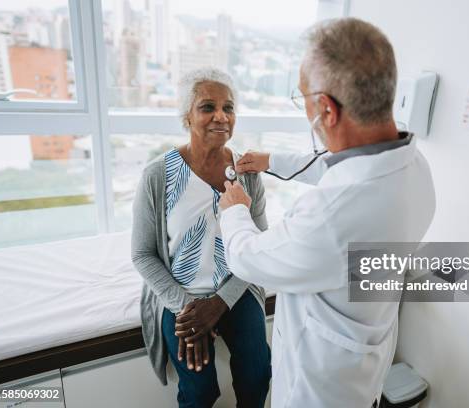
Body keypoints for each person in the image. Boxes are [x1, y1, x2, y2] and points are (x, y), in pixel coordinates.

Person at [215, 18, 436, 407]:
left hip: (318, 388)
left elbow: (250, 259)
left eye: (302, 98)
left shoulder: (330, 215)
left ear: (327, 110)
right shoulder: (414, 168)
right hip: (362, 359)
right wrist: (272, 160)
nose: (303, 110)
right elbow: (342, 164)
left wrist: (235, 212)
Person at [131, 68, 271, 408]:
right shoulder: (158, 174)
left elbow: (258, 248)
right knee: (199, 391)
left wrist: (220, 303)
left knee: (258, 375)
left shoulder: (246, 173)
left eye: (229, 108)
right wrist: (187, 309)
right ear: (187, 116)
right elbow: (143, 254)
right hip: (182, 294)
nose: (221, 116)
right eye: (208, 107)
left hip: (235, 288)